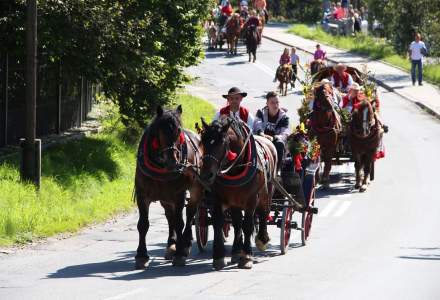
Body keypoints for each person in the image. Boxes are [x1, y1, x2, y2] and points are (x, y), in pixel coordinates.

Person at [253, 91, 290, 169]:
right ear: (267, 104)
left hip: (275, 140)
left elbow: (285, 132)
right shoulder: (261, 112)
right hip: (262, 138)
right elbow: (257, 124)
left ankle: (277, 170)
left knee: (280, 144)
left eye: (277, 102)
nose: (275, 105)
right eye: (272, 103)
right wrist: (262, 134)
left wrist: (276, 137)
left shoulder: (284, 117)